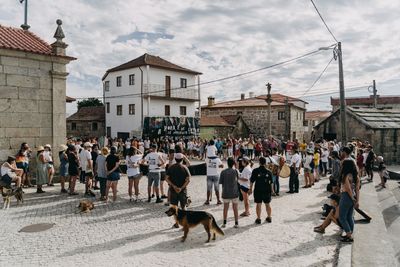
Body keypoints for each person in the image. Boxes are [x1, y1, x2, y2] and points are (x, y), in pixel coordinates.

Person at [165, 153, 191, 228]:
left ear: (175, 159)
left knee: (174, 208)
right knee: (183, 207)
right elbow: (188, 180)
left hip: (173, 191)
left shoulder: (171, 167)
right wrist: (181, 188)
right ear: (182, 159)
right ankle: (185, 222)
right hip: (182, 191)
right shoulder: (185, 167)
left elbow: (166, 178)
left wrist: (174, 186)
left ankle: (176, 223)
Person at [338, 160, 359, 243]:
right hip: (352, 196)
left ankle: (349, 235)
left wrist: (352, 198)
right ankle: (349, 234)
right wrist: (357, 200)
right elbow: (357, 189)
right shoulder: (356, 176)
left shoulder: (346, 175)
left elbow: (348, 188)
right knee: (349, 216)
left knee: (342, 217)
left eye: (342, 165)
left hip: (346, 196)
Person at [249, 157, 274, 224]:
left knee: (258, 204)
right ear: (265, 163)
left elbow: (251, 181)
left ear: (259, 163)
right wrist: (272, 190)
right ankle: (269, 217)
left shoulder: (255, 170)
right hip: (267, 190)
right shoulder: (269, 171)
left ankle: (259, 218)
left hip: (258, 190)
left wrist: (250, 189)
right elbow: (271, 182)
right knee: (267, 204)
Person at [219, 157, 239, 228]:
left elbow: (221, 182)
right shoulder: (235, 171)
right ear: (233, 163)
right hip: (234, 192)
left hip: (226, 192)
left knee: (225, 208)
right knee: (235, 208)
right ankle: (236, 223)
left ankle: (224, 222)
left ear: (227, 163)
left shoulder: (223, 172)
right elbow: (238, 180)